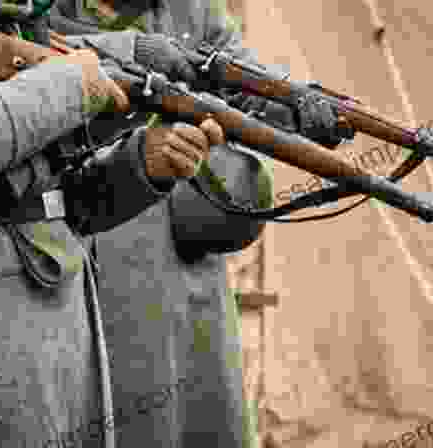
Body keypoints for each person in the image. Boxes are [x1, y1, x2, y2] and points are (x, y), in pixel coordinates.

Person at [0, 0, 223, 446]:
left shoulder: (10, 25)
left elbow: (61, 202)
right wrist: (76, 82)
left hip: (56, 322)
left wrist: (143, 165)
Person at [49, 1, 351, 447]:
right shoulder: (48, 10)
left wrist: (301, 105)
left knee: (203, 400)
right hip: (102, 226)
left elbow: (246, 81)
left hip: (191, 236)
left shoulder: (190, 9)